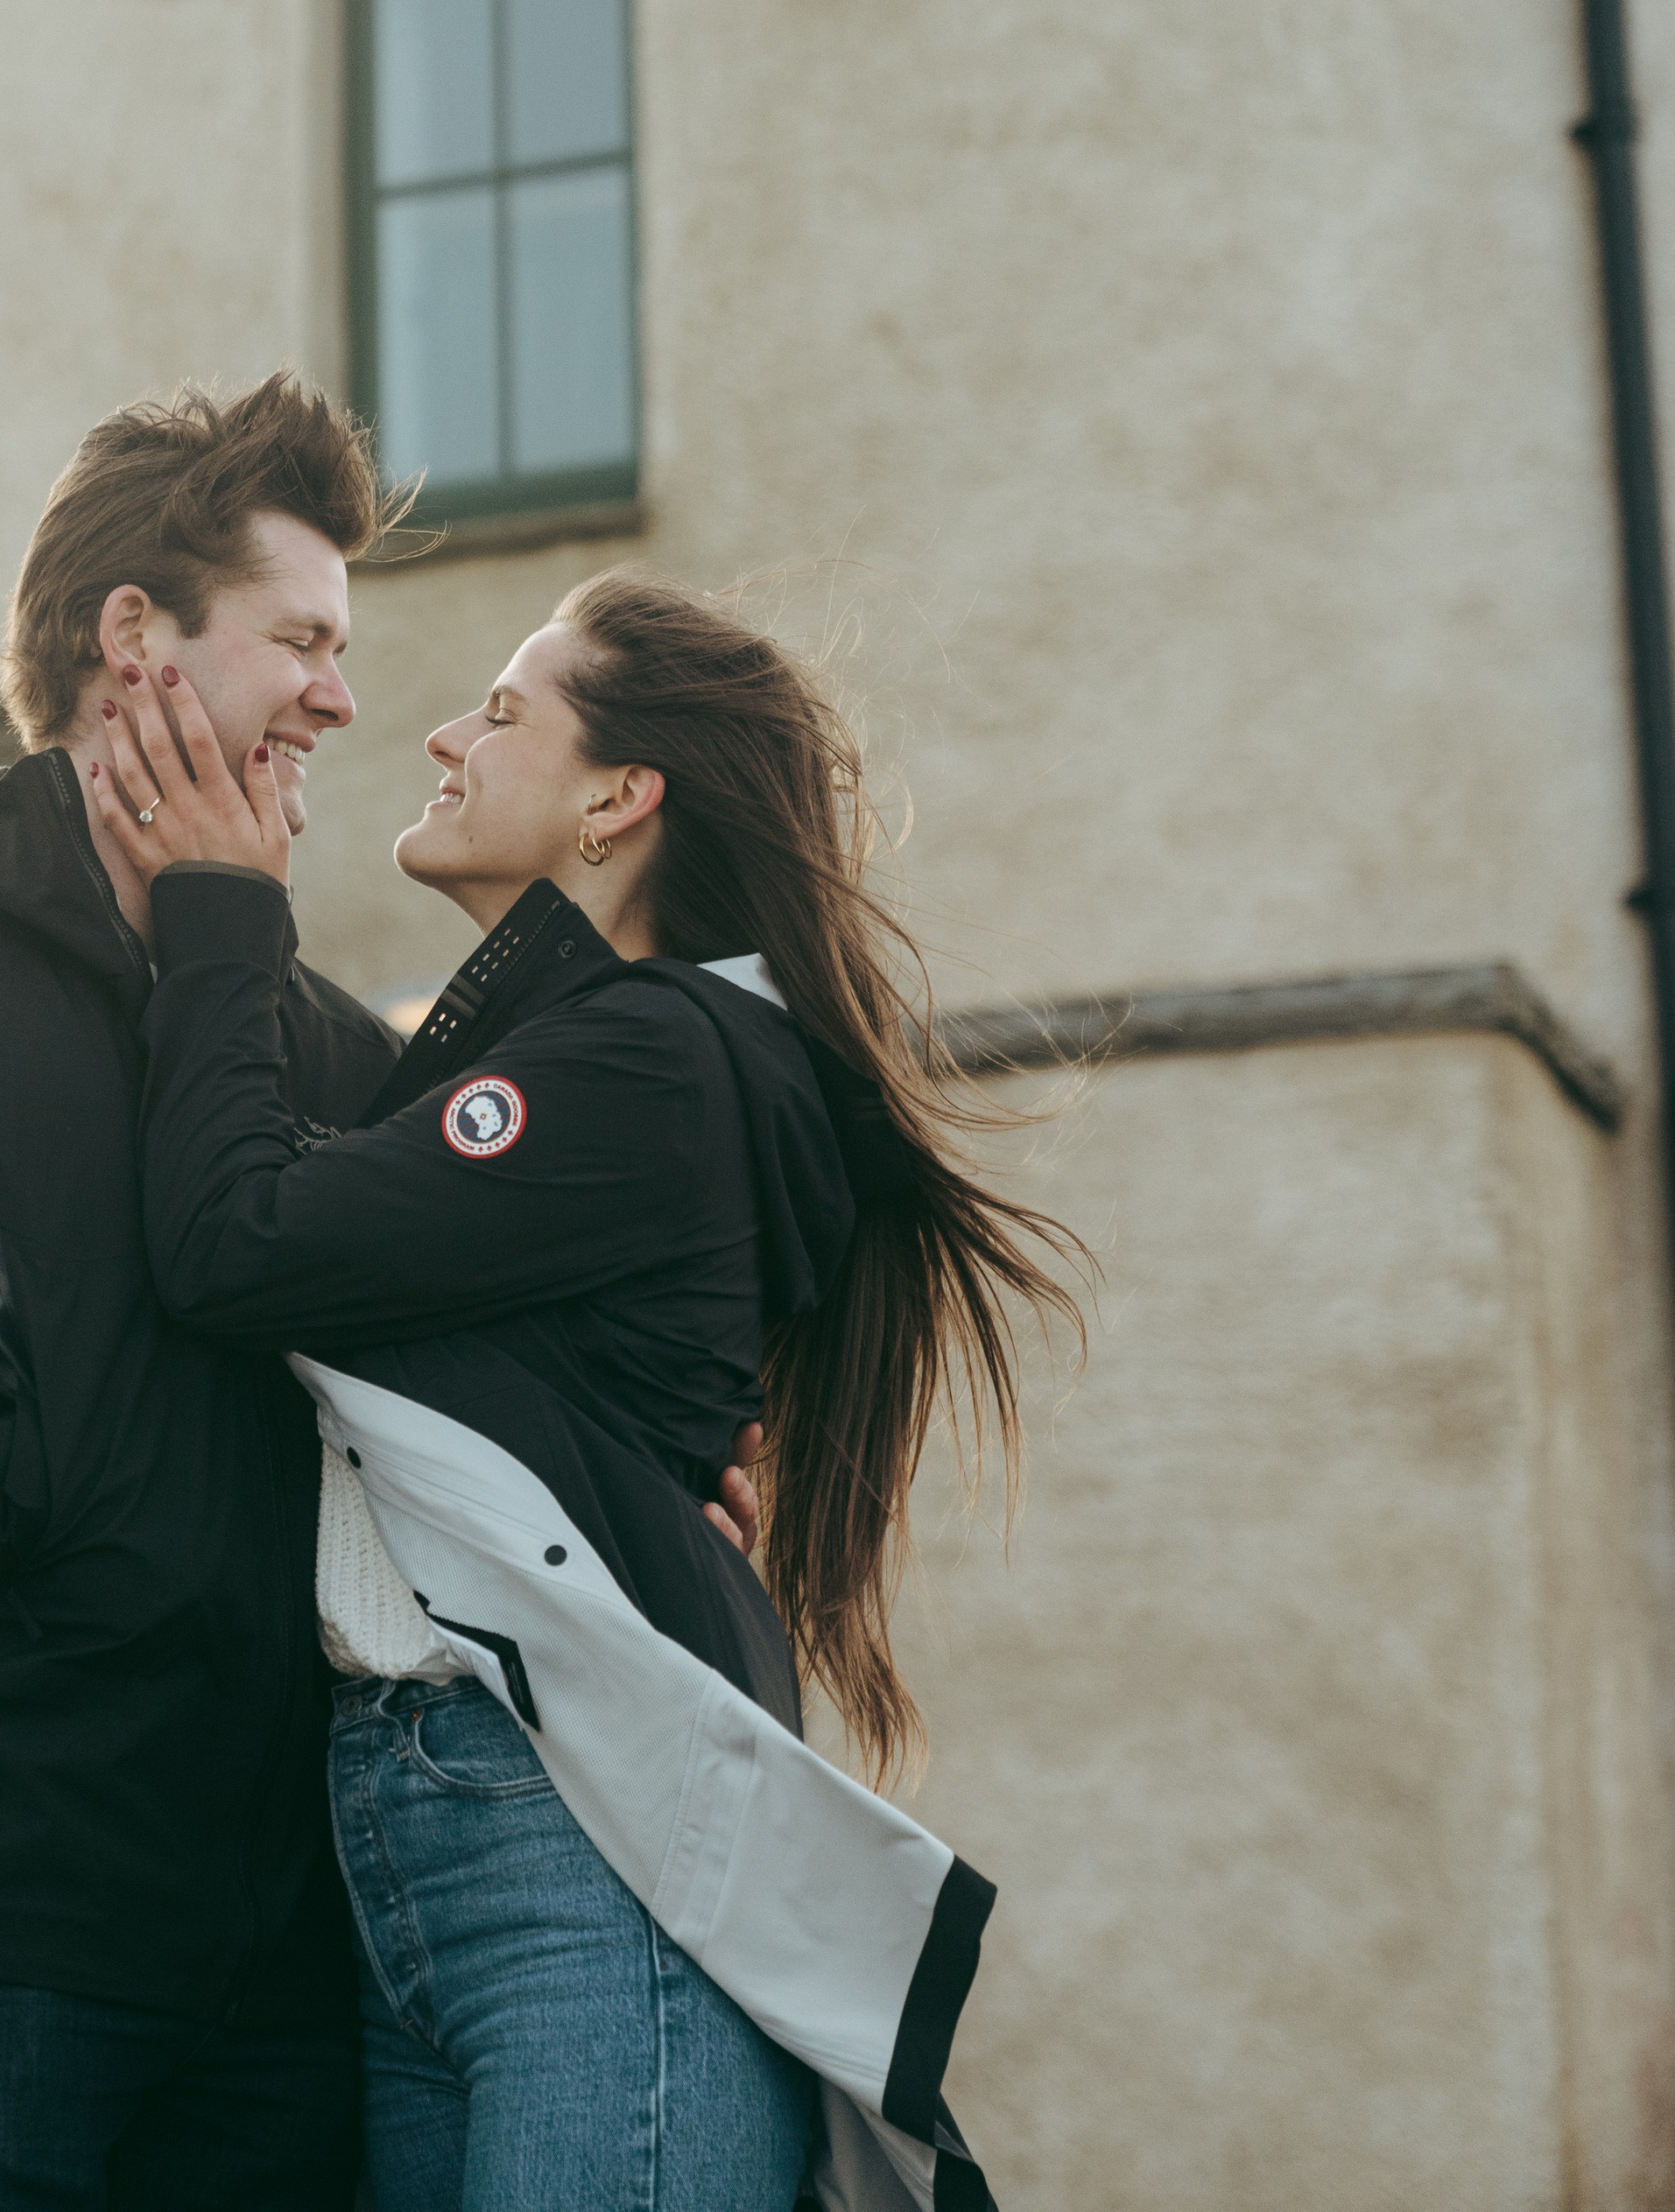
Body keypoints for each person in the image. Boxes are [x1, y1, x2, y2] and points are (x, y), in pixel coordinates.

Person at [0, 374, 759, 2212]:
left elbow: (448, 1398)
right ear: (136, 638)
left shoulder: (331, 1054)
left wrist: (657, 1489)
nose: (342, 700)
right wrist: (18, 1475)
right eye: (303, 641)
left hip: (281, 1985)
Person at [88, 568, 1091, 2212]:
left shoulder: (650, 1060)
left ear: (619, 799)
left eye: (502, 712)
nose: (443, 734)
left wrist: (218, 910)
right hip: (433, 1831)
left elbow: (235, 1243)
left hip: (561, 1846)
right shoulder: (609, 1063)